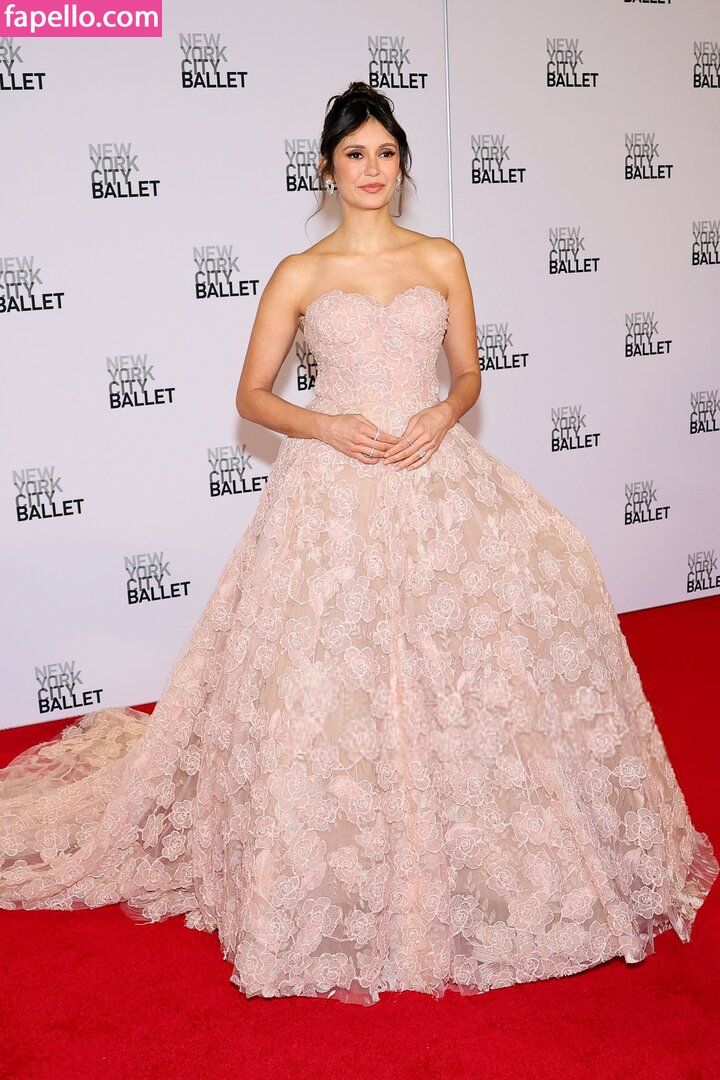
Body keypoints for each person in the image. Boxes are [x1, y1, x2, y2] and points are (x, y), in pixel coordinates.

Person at [0, 81, 717, 1007]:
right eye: (354, 154)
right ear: (326, 169)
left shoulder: (442, 257)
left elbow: (469, 372)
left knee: (478, 654)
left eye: (385, 153)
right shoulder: (300, 274)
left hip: (434, 470)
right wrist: (326, 425)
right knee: (326, 677)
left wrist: (442, 413)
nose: (371, 169)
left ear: (401, 165)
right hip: (332, 491)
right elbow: (251, 396)